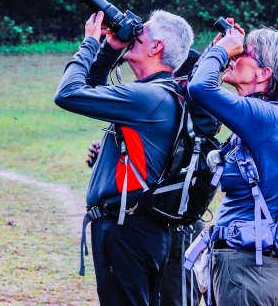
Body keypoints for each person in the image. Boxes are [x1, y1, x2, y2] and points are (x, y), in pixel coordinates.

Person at [55, 9, 194, 306]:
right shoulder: (161, 93)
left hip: (127, 231)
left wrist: (90, 43)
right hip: (141, 230)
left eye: (139, 32)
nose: (131, 34)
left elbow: (68, 94)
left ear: (156, 47)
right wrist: (110, 50)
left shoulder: (148, 97)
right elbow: (92, 89)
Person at [187, 21, 278, 306]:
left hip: (246, 269)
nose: (234, 56)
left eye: (242, 53)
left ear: (265, 73)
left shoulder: (262, 116)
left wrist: (219, 50)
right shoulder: (261, 116)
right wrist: (215, 48)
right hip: (241, 264)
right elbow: (194, 90)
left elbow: (200, 88)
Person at [85, 50, 220, 306]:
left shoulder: (194, 118)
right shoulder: (168, 109)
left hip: (179, 230)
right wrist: (107, 159)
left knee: (175, 301)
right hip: (151, 225)